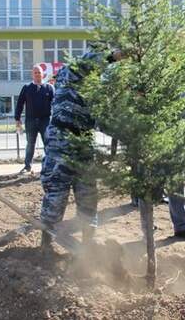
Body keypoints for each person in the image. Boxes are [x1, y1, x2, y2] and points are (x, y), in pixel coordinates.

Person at [40, 49, 125, 251]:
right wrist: (113, 56)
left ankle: (88, 245)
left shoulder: (95, 92)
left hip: (84, 143)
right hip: (60, 141)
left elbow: (103, 122)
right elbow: (85, 64)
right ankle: (46, 243)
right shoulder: (69, 76)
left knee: (88, 195)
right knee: (56, 194)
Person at [14, 65, 55, 174]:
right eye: (35, 72)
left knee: (48, 143)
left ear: (43, 74)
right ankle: (27, 167)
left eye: (39, 72)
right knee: (30, 143)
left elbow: (55, 104)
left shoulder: (49, 88)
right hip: (31, 121)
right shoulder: (27, 87)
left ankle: (49, 167)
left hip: (45, 121)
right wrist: (17, 118)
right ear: (32, 74)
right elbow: (20, 103)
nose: (37, 74)